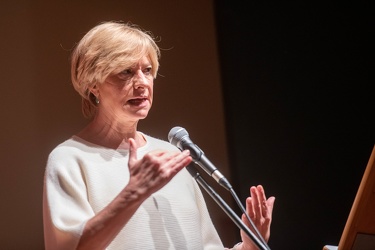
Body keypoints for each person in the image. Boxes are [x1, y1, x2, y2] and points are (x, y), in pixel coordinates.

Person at [42, 21, 275, 250]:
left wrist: (249, 247)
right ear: (93, 83)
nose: (142, 83)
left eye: (147, 70)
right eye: (126, 71)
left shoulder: (171, 155)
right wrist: (133, 194)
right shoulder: (70, 159)